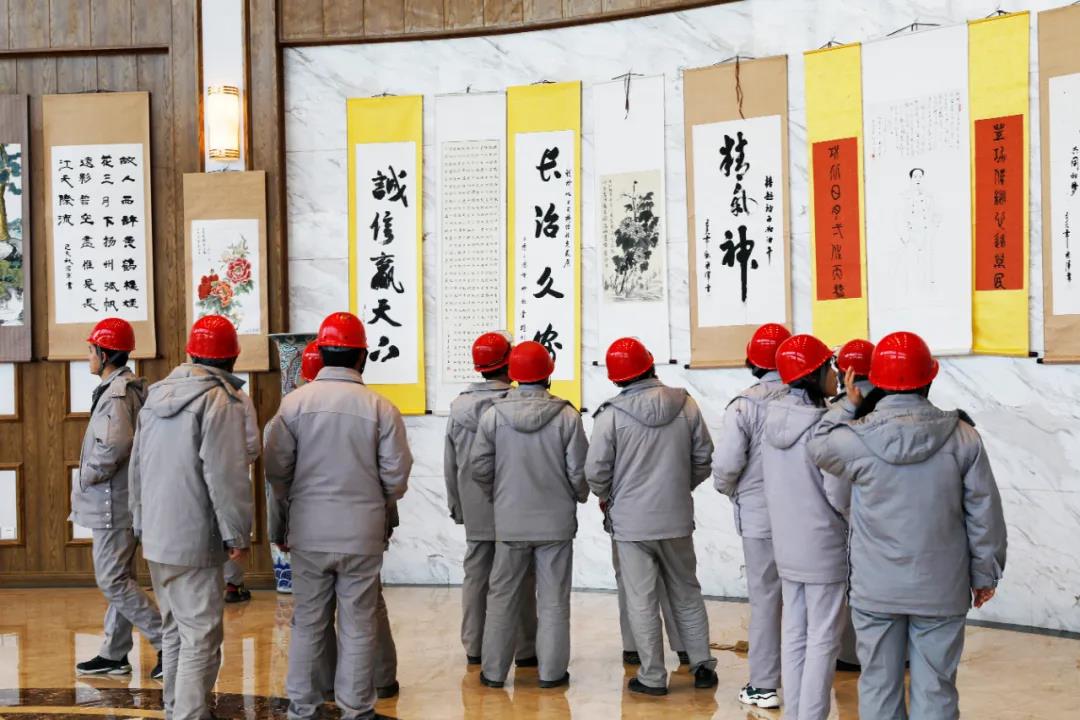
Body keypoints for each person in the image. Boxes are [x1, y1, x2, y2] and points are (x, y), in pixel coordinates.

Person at [809, 331, 1007, 720]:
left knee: (878, 686)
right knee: (936, 688)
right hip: (941, 587)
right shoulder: (963, 437)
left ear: (877, 381)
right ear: (930, 377)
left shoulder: (856, 439)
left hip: (876, 588)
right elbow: (984, 513)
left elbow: (817, 444)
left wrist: (849, 404)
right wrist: (985, 573)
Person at [265, 312, 410, 720]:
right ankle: (356, 710)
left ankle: (302, 708)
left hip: (309, 534)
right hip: (362, 535)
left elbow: (277, 471)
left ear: (322, 353)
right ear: (362, 357)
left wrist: (295, 506)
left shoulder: (293, 405)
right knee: (358, 624)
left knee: (307, 622)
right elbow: (396, 477)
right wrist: (373, 503)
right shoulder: (382, 408)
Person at [129, 315, 253, 720]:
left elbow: (136, 467)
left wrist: (140, 522)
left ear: (190, 354)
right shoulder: (219, 401)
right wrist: (237, 534)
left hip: (157, 536)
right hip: (196, 538)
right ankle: (189, 714)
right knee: (201, 636)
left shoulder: (155, 396)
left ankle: (175, 709)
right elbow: (226, 475)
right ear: (232, 358)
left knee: (174, 629)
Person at [585, 338, 718, 696]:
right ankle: (702, 666)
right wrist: (679, 487)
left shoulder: (610, 415)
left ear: (616, 378)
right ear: (651, 364)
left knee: (641, 599)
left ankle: (652, 676)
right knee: (687, 590)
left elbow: (596, 472)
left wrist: (609, 497)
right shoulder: (686, 405)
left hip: (631, 525)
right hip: (676, 519)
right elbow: (703, 459)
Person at [471, 341, 588, 690]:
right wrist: (578, 496)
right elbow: (578, 472)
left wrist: (499, 497)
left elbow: (479, 467)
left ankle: (493, 673)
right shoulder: (567, 416)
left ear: (513, 374)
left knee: (502, 598)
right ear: (548, 373)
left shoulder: (493, 416)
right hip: (556, 524)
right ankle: (551, 674)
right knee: (553, 601)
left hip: (510, 522)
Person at [763, 334, 850, 720]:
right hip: (823, 547)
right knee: (823, 640)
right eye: (829, 367)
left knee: (795, 634)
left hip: (787, 545)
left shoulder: (771, 419)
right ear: (813, 375)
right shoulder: (824, 428)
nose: (836, 374)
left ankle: (796, 713)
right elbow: (839, 494)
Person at [72, 318, 163, 680]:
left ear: (105, 354)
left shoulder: (117, 394)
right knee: (121, 576)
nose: (88, 356)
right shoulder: (126, 388)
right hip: (122, 499)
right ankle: (114, 653)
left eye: (91, 350)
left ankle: (167, 641)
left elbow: (114, 446)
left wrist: (88, 475)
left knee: (112, 579)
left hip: (113, 501)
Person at [444, 332, 538, 666]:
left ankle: (475, 647)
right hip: (516, 504)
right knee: (520, 576)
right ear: (509, 363)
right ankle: (525, 649)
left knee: (476, 576)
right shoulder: (518, 404)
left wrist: (457, 505)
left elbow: (450, 463)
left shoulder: (458, 407)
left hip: (475, 504)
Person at [710, 322, 790, 709]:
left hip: (760, 520)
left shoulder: (743, 406)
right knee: (812, 599)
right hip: (811, 520)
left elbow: (726, 467)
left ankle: (763, 685)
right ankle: (810, 680)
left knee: (766, 600)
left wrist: (734, 491)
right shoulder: (813, 402)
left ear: (752, 362)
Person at [832, 338, 875, 673]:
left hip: (845, 516)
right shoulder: (896, 406)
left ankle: (850, 655)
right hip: (892, 517)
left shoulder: (835, 412)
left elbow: (833, 482)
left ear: (842, 373)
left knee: (849, 582)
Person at [224, 386, 262, 604]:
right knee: (234, 526)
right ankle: (233, 585)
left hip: (192, 476)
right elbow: (252, 444)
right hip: (231, 474)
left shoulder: (181, 392)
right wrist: (239, 463)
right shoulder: (240, 398)